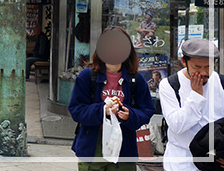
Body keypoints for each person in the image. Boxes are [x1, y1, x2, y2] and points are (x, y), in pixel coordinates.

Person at [68, 26, 155, 170]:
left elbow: (146, 110)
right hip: (93, 145)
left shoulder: (136, 80)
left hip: (124, 147)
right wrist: (103, 110)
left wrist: (129, 115)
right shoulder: (87, 77)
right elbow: (76, 110)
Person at [160, 38, 224, 171]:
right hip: (181, 162)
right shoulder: (170, 85)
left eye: (208, 67)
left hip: (215, 161)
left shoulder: (221, 83)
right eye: (197, 67)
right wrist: (196, 96)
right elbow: (177, 126)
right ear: (184, 61)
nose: (204, 73)